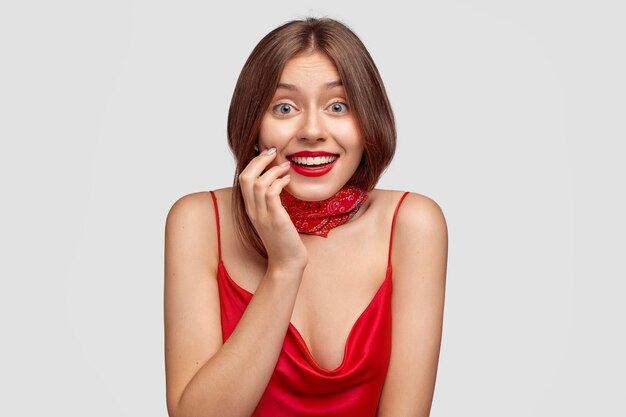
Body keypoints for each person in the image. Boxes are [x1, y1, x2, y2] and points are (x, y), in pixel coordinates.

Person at [164, 16, 448, 417]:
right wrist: (284, 267)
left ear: (368, 121)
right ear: (254, 124)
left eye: (338, 106)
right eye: (284, 107)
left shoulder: (413, 225)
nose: (312, 130)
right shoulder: (197, 222)